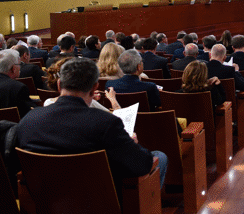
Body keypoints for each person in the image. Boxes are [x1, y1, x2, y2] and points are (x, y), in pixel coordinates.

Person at [15, 57, 167, 189]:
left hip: (46, 207)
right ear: (95, 87)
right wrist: (132, 145)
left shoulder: (29, 120)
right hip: (103, 207)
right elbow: (142, 165)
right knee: (159, 156)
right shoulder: (106, 123)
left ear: (60, 85)